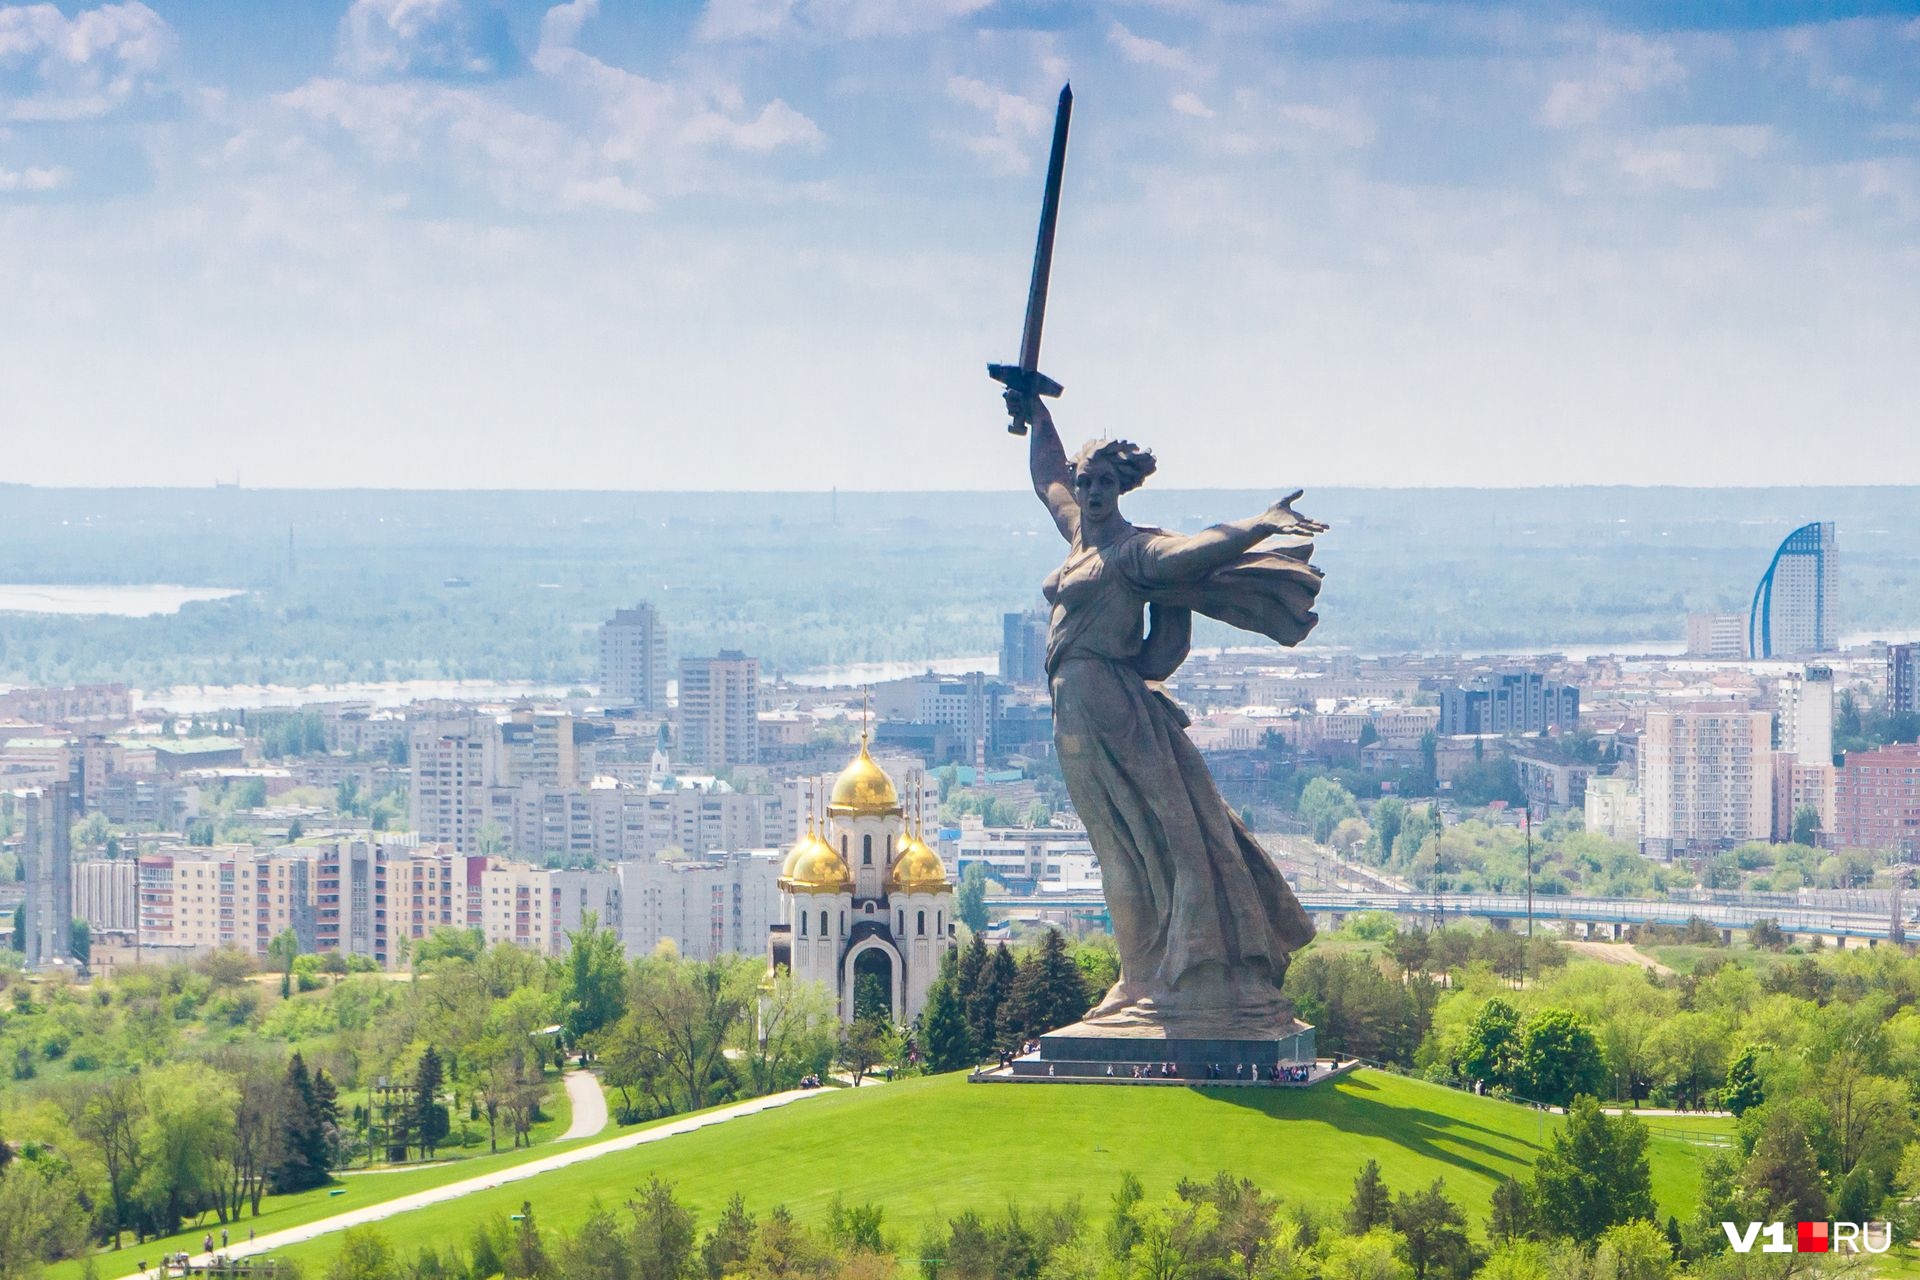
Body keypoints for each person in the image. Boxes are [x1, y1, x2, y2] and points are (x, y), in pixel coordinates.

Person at [1018, 393, 1324, 1031]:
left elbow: (1202, 550)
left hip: (1113, 706)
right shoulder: (1080, 533)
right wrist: (1035, 409)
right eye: (1087, 481)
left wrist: (1261, 524)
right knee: (1118, 849)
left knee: (1170, 838)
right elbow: (1046, 478)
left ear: (1121, 488)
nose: (1092, 490)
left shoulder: (1135, 552)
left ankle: (1192, 969)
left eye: (1104, 482)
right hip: (1071, 713)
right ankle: (1137, 979)